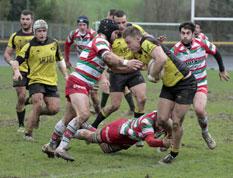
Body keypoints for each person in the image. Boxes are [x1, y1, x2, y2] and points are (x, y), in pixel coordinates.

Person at [42, 19, 143, 161]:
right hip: (79, 82)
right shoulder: (101, 41)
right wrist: (126, 62)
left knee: (67, 119)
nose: (116, 37)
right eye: (115, 33)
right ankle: (61, 147)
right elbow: (108, 57)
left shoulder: (103, 44)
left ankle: (51, 145)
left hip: (79, 83)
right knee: (84, 114)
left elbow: (113, 67)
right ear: (108, 31)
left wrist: (132, 67)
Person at [123, 26, 197, 164]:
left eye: (128, 42)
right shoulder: (137, 51)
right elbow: (122, 62)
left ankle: (174, 152)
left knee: (176, 122)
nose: (127, 46)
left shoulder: (146, 42)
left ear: (138, 38)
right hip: (169, 85)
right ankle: (170, 135)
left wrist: (152, 75)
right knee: (162, 120)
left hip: (185, 83)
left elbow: (161, 59)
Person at [171, 22, 230, 150]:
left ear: (193, 34)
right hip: (184, 86)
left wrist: (222, 69)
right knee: (178, 119)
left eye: (188, 33)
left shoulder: (202, 43)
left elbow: (216, 52)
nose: (185, 36)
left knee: (199, 110)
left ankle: (205, 132)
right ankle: (171, 139)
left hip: (200, 84)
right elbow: (167, 64)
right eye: (183, 33)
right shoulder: (175, 49)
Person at [11, 19, 68, 140]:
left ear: (47, 31)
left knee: (54, 109)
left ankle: (36, 114)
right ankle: (28, 133)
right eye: (39, 31)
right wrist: (16, 71)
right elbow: (16, 61)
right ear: (34, 32)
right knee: (37, 103)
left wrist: (66, 75)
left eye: (44, 31)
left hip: (51, 81)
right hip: (35, 80)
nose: (42, 33)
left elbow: (60, 60)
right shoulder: (29, 46)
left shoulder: (54, 43)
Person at [92, 10, 147, 129]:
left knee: (142, 98)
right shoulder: (111, 37)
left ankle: (136, 130)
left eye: (124, 22)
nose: (122, 26)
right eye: (118, 23)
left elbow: (146, 39)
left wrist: (153, 44)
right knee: (114, 105)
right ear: (113, 22)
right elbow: (109, 61)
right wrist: (124, 65)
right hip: (117, 73)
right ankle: (93, 126)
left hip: (133, 71)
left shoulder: (134, 29)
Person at [75, 111, 171, 156]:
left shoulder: (165, 119)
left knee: (106, 150)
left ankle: (88, 127)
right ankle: (67, 133)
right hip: (119, 131)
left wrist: (168, 139)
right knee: (91, 137)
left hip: (129, 139)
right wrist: (162, 143)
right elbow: (150, 141)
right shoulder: (147, 122)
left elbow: (172, 132)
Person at [99, 9, 136, 115]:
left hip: (121, 64)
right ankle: (103, 109)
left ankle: (102, 109)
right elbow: (107, 53)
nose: (120, 25)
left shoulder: (130, 30)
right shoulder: (110, 34)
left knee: (110, 86)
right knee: (114, 87)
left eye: (123, 22)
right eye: (118, 22)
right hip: (113, 63)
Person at [3, 10, 34, 132]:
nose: (25, 21)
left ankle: (28, 102)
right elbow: (7, 54)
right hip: (19, 70)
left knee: (38, 98)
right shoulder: (15, 36)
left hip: (35, 72)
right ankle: (21, 125)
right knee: (21, 96)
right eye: (23, 19)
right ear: (20, 20)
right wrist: (12, 63)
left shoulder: (37, 36)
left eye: (27, 19)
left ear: (32, 20)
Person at [64, 15, 100, 114]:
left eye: (84, 25)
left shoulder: (93, 34)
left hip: (93, 66)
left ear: (87, 26)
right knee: (82, 88)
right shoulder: (73, 34)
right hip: (80, 65)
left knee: (94, 93)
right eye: (80, 25)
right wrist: (67, 60)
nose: (82, 27)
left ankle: (98, 111)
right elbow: (67, 45)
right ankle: (87, 107)